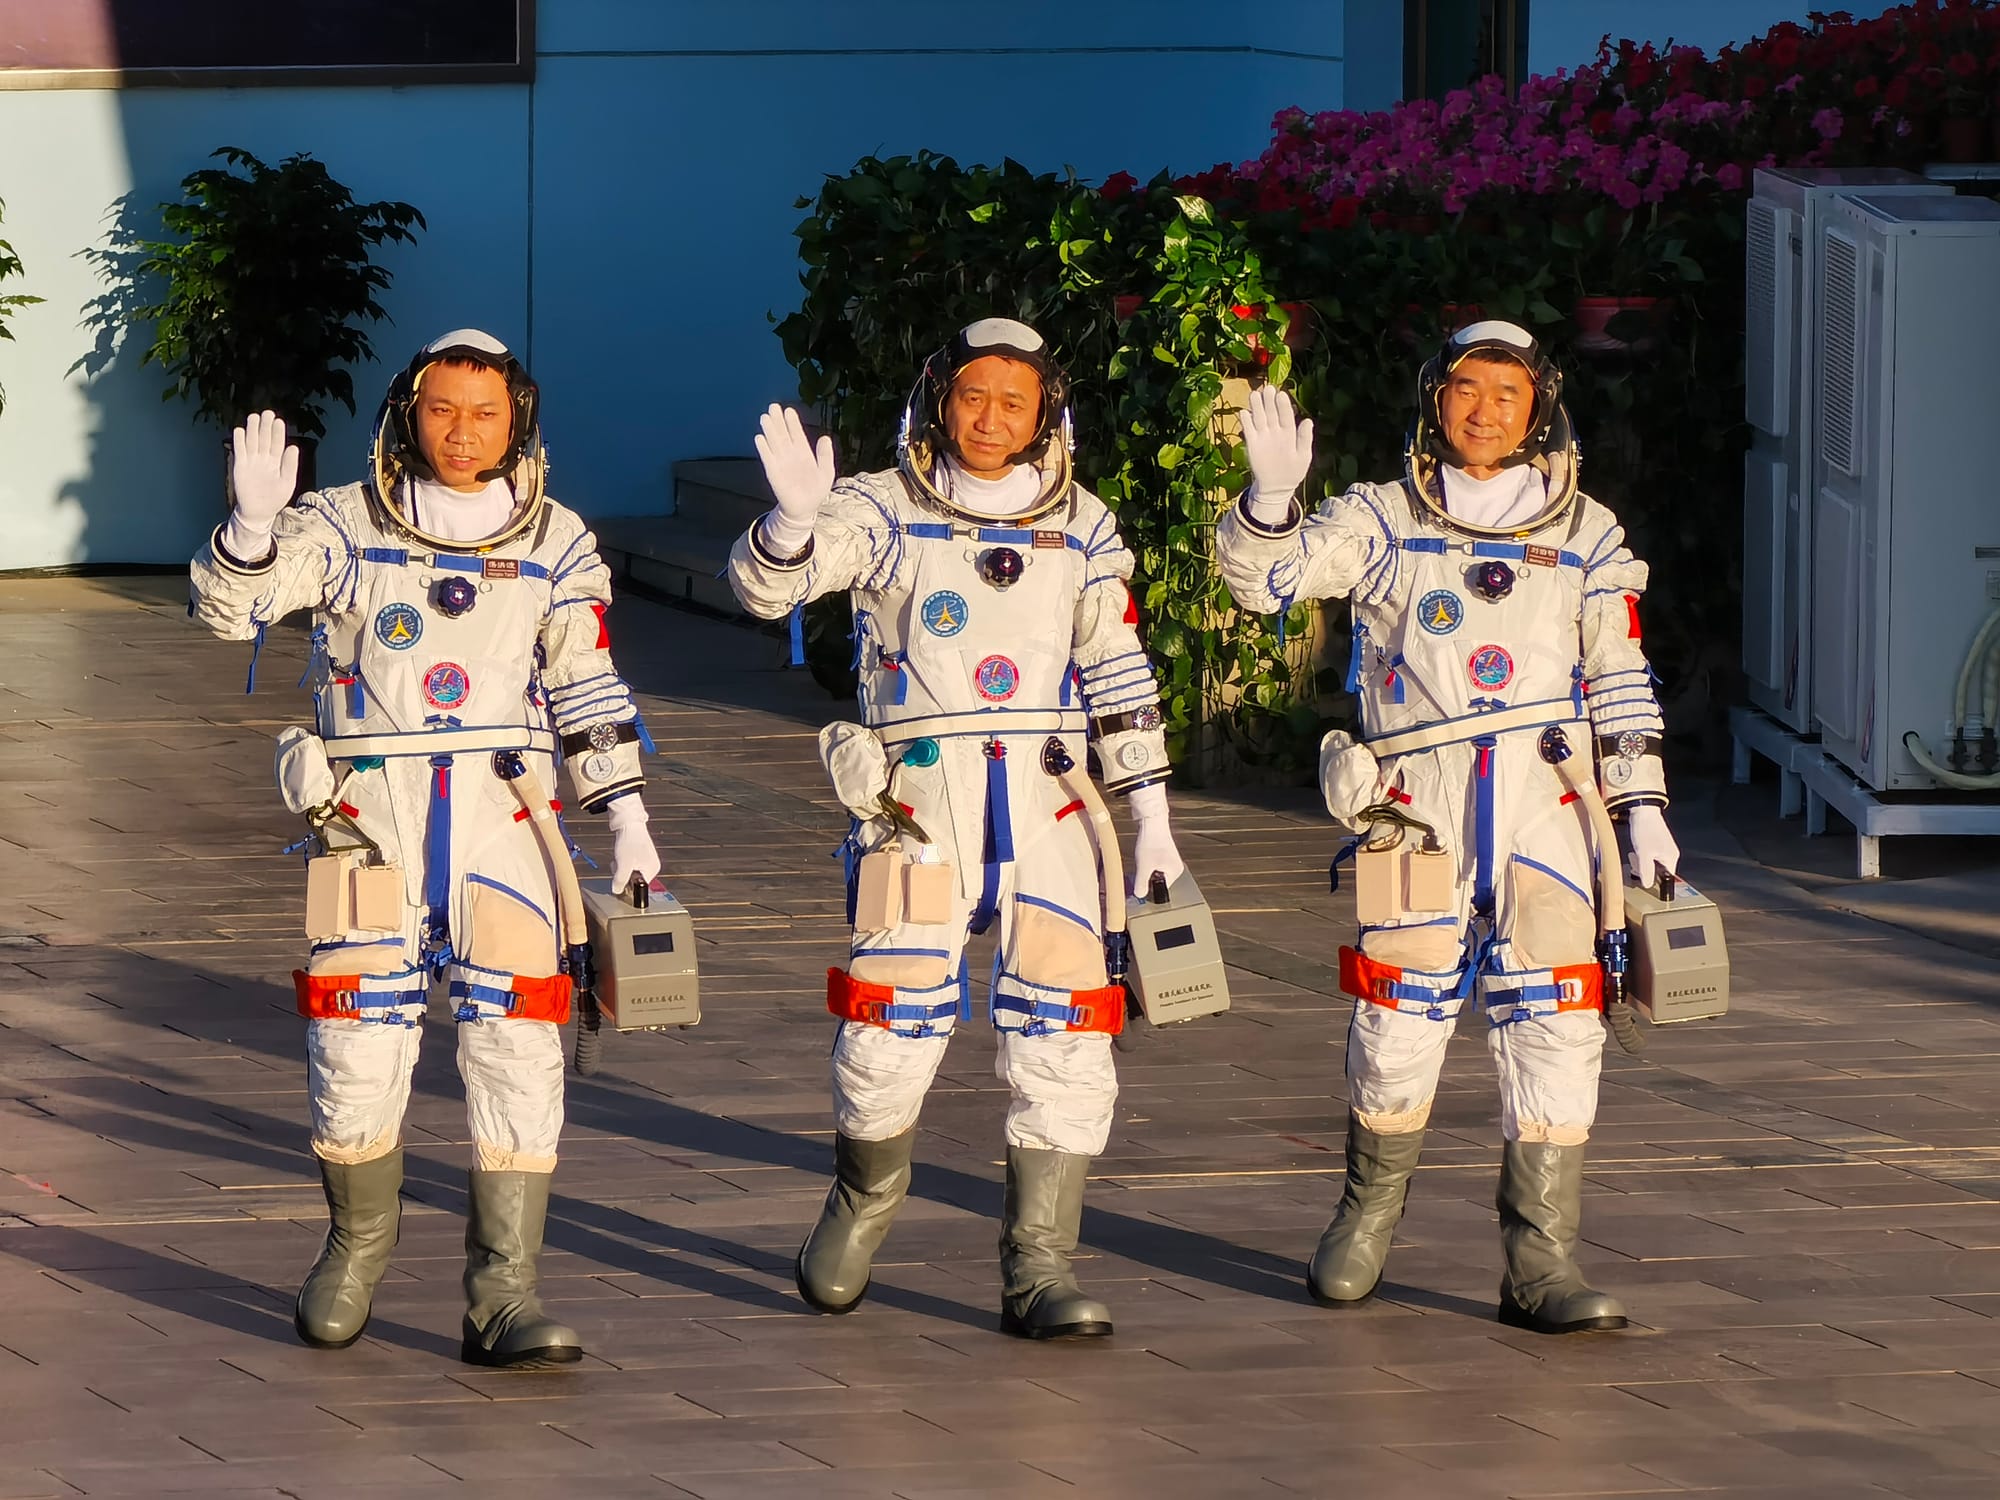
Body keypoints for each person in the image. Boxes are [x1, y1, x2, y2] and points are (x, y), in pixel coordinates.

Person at [188, 329, 662, 1366]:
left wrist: (626, 820)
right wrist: (252, 528)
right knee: (355, 1043)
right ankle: (355, 1246)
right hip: (371, 824)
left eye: (484, 413)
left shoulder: (558, 540)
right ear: (408, 414)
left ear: (518, 420)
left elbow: (588, 686)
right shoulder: (341, 526)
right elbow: (233, 613)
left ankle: (505, 1292)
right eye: (441, 409)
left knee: (520, 1048)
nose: (461, 431)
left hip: (506, 820)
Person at [1215, 320, 1681, 1335]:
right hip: (1414, 804)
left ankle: (1540, 1259)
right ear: (1434, 398)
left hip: (1547, 806)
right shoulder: (1379, 519)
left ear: (1538, 409)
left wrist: (1639, 805)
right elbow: (1268, 585)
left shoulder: (1585, 531)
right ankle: (1363, 1217)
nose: (1483, 412)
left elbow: (1616, 673)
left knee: (1557, 1019)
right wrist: (1265, 506)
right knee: (1397, 1014)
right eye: (1465, 389)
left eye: (1506, 396)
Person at [727, 318, 1183, 1339]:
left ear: (1044, 416)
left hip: (1052, 803)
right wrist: (794, 526)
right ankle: (863, 1198)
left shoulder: (1083, 525)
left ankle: (1038, 1268)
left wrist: (1149, 817)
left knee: (1067, 1034)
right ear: (938, 399)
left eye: (1012, 403)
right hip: (917, 808)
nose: (989, 419)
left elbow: (1117, 672)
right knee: (887, 1024)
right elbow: (764, 591)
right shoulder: (881, 510)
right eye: (972, 396)